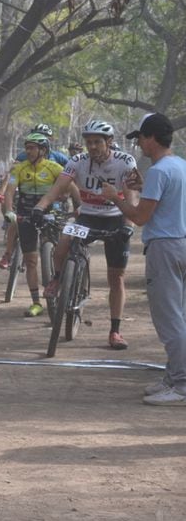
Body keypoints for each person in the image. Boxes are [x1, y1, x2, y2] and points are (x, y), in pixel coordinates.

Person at [98, 113, 186, 404]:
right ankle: (173, 377)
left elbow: (139, 217)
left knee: (169, 318)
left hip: (165, 247)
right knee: (180, 315)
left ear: (151, 138)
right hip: (180, 243)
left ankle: (181, 383)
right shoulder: (179, 167)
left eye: (141, 139)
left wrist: (114, 196)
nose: (139, 145)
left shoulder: (160, 171)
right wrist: (138, 188)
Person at [33, 120, 137, 350]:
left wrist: (128, 224)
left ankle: (115, 331)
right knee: (64, 239)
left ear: (109, 142)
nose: (92, 147)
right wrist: (40, 207)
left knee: (116, 277)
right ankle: (58, 278)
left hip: (115, 218)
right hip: (87, 217)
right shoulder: (77, 161)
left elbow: (132, 197)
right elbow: (56, 189)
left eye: (97, 142)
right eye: (88, 142)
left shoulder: (126, 162)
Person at [1, 132, 65, 317]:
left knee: (59, 251)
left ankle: (62, 281)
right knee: (30, 261)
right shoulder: (19, 169)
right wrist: (9, 211)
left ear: (43, 150)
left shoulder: (54, 168)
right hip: (25, 215)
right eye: (26, 147)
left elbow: (70, 187)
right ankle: (36, 302)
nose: (27, 151)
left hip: (50, 214)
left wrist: (77, 206)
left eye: (32, 148)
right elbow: (10, 191)